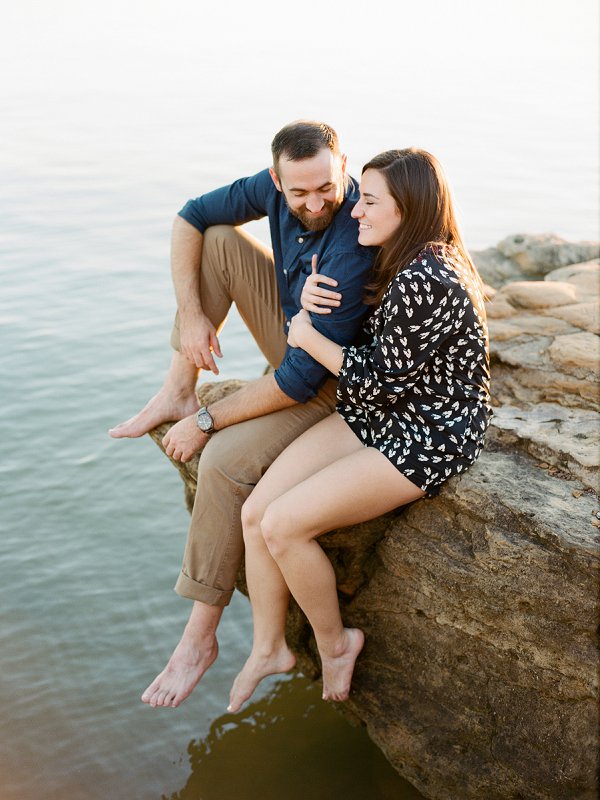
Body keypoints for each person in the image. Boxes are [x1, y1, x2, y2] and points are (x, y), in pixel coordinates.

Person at [108, 121, 376, 707]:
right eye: (298, 191)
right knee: (222, 240)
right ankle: (179, 387)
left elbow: (304, 379)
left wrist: (210, 421)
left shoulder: (352, 243)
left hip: (332, 380)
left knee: (224, 462)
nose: (314, 203)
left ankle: (199, 639)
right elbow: (190, 216)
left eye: (326, 188)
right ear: (277, 179)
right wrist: (193, 316)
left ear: (344, 165)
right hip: (297, 337)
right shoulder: (277, 186)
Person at [226, 148, 492, 713]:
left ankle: (336, 643)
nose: (354, 212)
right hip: (379, 409)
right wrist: (307, 297)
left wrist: (306, 335)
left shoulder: (430, 278)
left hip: (428, 430)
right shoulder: (399, 255)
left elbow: (376, 379)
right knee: (254, 514)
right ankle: (269, 647)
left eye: (369, 201)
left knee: (284, 526)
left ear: (408, 207)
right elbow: (370, 358)